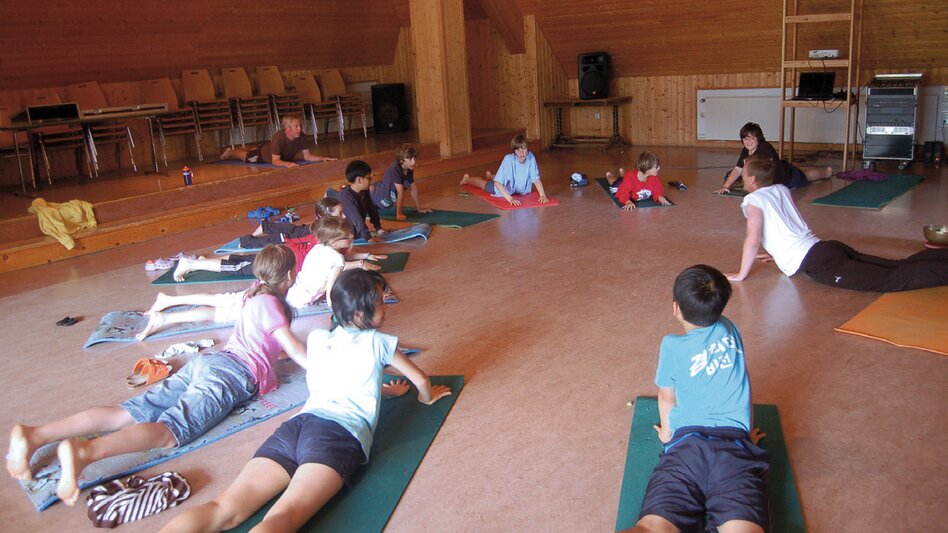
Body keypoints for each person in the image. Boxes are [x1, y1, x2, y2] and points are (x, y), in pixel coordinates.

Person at [6, 245, 308, 506]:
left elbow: (270, 342)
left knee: (128, 412)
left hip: (209, 362)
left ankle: (35, 435)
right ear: (290, 275)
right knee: (169, 431)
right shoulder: (272, 304)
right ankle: (84, 452)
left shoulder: (253, 294)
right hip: (230, 376)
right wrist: (325, 368)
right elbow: (295, 349)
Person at [158, 269, 452, 533]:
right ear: (359, 314)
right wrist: (426, 398)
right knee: (283, 516)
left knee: (224, 507)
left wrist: (387, 391)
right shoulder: (380, 342)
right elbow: (420, 380)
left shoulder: (318, 337)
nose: (384, 307)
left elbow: (342, 379)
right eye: (378, 302)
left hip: (295, 427)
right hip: (337, 436)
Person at [626, 265, 768, 533]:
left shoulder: (672, 345)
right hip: (734, 450)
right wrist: (747, 434)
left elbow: (666, 396)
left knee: (652, 527)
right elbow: (743, 383)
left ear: (676, 308)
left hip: (686, 448)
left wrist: (667, 434)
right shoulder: (730, 328)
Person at [725, 156, 948, 291]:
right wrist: (779, 254)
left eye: (743, 175)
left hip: (820, 261)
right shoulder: (780, 189)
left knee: (891, 279)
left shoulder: (752, 200)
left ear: (753, 179)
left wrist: (742, 273)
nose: (742, 178)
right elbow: (784, 224)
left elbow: (752, 239)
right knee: (895, 265)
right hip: (826, 248)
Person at [714, 122, 832, 194]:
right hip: (780, 170)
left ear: (758, 138)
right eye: (745, 138)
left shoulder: (765, 147)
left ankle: (827, 172)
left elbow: (765, 172)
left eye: (752, 138)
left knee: (807, 176)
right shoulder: (745, 151)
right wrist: (725, 186)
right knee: (794, 168)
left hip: (787, 178)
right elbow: (738, 169)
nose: (748, 141)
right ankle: (794, 166)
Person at [460, 134, 549, 206]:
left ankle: (491, 176)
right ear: (514, 151)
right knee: (484, 184)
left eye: (524, 149)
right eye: (518, 150)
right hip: (504, 188)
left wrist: (543, 196)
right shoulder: (508, 159)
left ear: (528, 149)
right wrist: (510, 199)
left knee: (500, 177)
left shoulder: (531, 157)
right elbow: (497, 183)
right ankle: (466, 179)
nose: (521, 153)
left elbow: (536, 179)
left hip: (517, 187)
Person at [286, 217, 354, 309]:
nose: (351, 236)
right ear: (333, 242)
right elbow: (331, 285)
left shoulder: (318, 247)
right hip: (306, 298)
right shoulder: (338, 258)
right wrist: (331, 303)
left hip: (295, 289)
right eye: (346, 237)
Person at [220, 115, 336, 168]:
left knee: (251, 151)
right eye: (296, 126)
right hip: (262, 156)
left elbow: (307, 156)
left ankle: (245, 148)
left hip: (270, 148)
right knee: (246, 157)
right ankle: (230, 152)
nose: (299, 129)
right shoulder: (278, 137)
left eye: (300, 126)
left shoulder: (302, 137)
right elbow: (275, 161)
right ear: (287, 129)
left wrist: (322, 158)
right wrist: (287, 164)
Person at [241, 197, 343, 248]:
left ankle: (264, 227)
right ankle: (247, 240)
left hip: (299, 231)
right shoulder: (320, 231)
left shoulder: (324, 226)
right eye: (340, 214)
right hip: (290, 238)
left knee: (290, 229)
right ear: (322, 217)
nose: (344, 216)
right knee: (277, 238)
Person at [371, 143, 433, 220]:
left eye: (415, 158)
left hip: (384, 202)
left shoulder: (409, 168)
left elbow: (413, 188)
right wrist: (399, 213)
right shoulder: (395, 168)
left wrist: (418, 208)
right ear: (402, 160)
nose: (414, 162)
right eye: (410, 159)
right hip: (374, 197)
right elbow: (400, 192)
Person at [330, 159, 386, 242]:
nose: (371, 180)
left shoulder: (364, 191)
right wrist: (368, 237)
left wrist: (378, 228)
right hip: (345, 236)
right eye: (368, 178)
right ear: (359, 180)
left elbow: (371, 209)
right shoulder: (345, 195)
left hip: (357, 233)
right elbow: (356, 218)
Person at [605, 151, 672, 210]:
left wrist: (661, 198)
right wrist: (628, 202)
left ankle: (622, 174)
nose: (659, 168)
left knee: (625, 178)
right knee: (613, 182)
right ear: (647, 168)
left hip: (628, 181)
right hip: (621, 186)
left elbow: (657, 190)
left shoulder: (654, 177)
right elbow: (623, 193)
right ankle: (609, 175)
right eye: (656, 167)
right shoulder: (630, 177)